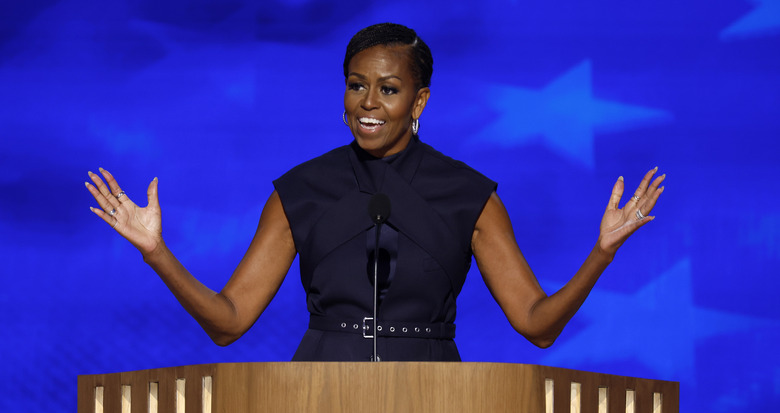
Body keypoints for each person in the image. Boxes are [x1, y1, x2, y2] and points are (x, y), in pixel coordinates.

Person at [85, 23, 664, 361]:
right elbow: (228, 321)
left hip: (436, 399)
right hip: (317, 397)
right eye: (357, 85)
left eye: (389, 89)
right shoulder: (302, 190)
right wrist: (156, 252)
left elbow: (537, 325)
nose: (368, 103)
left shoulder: (468, 195)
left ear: (420, 102)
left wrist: (602, 254)